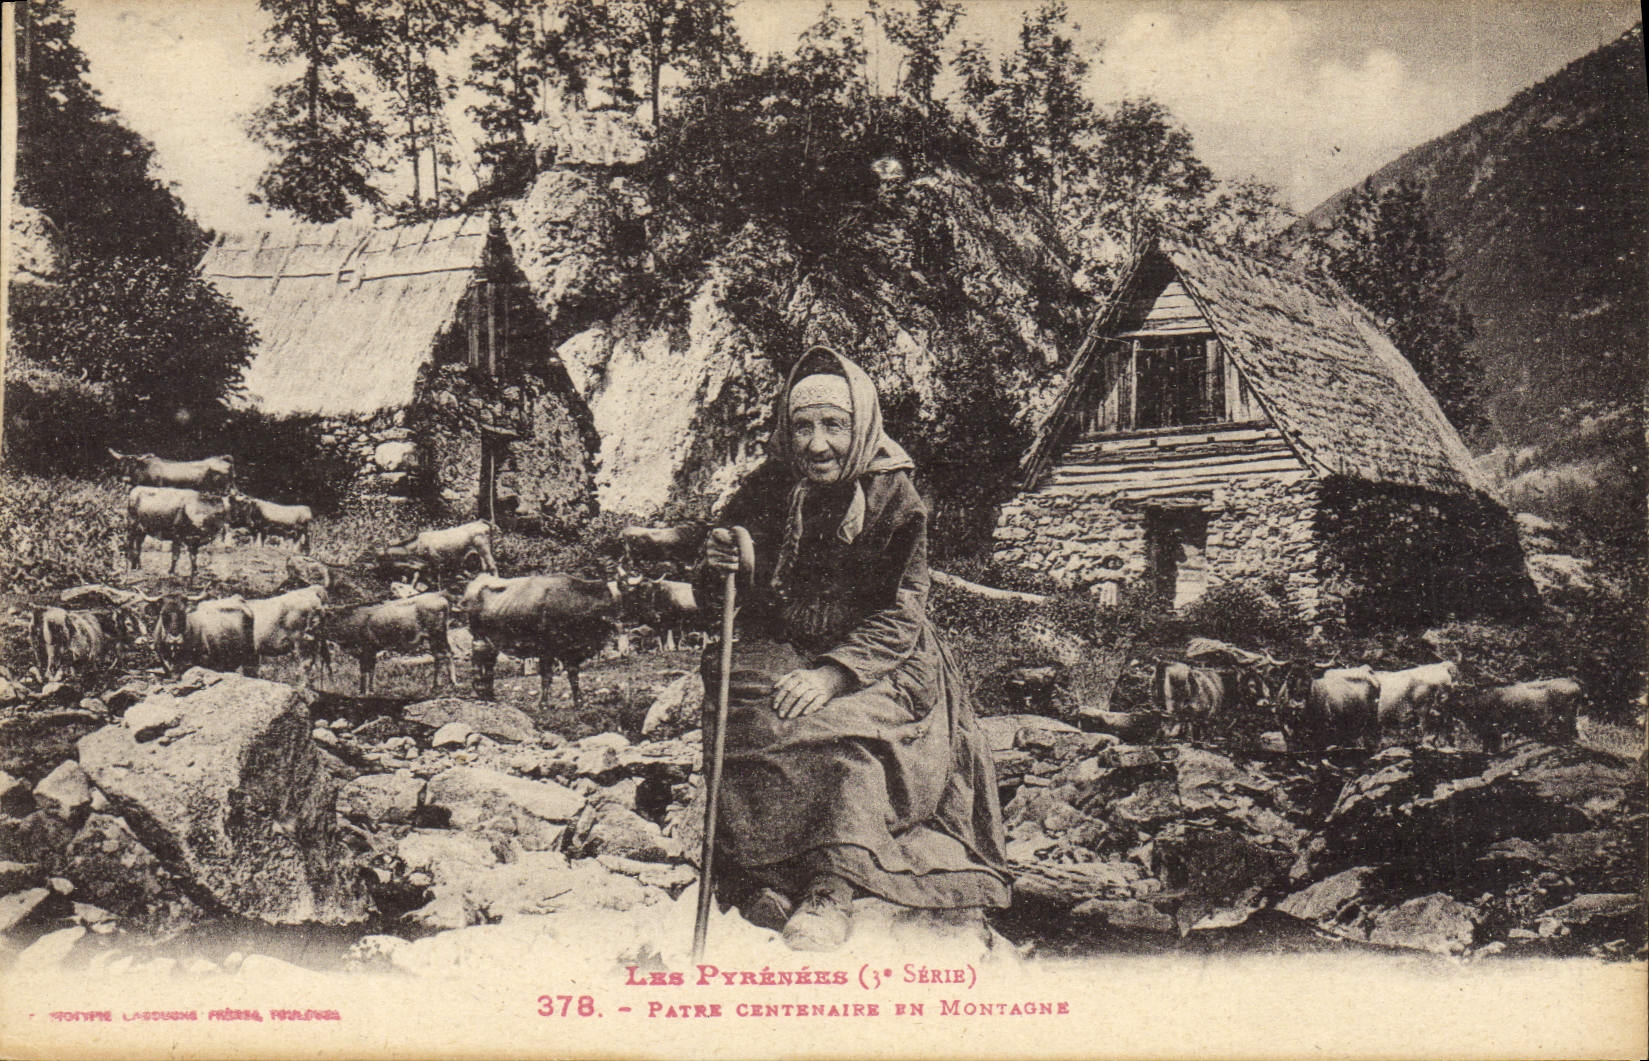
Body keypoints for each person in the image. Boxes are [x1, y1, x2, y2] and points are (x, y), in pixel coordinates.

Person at [697, 345, 1010, 953]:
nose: (817, 444)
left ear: (860, 425)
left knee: (845, 735)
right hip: (786, 640)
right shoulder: (767, 486)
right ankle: (767, 871)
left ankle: (831, 884)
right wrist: (719, 563)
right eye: (802, 426)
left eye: (834, 426)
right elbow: (727, 597)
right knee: (748, 706)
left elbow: (901, 609)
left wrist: (833, 675)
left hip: (878, 654)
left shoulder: (895, 496)